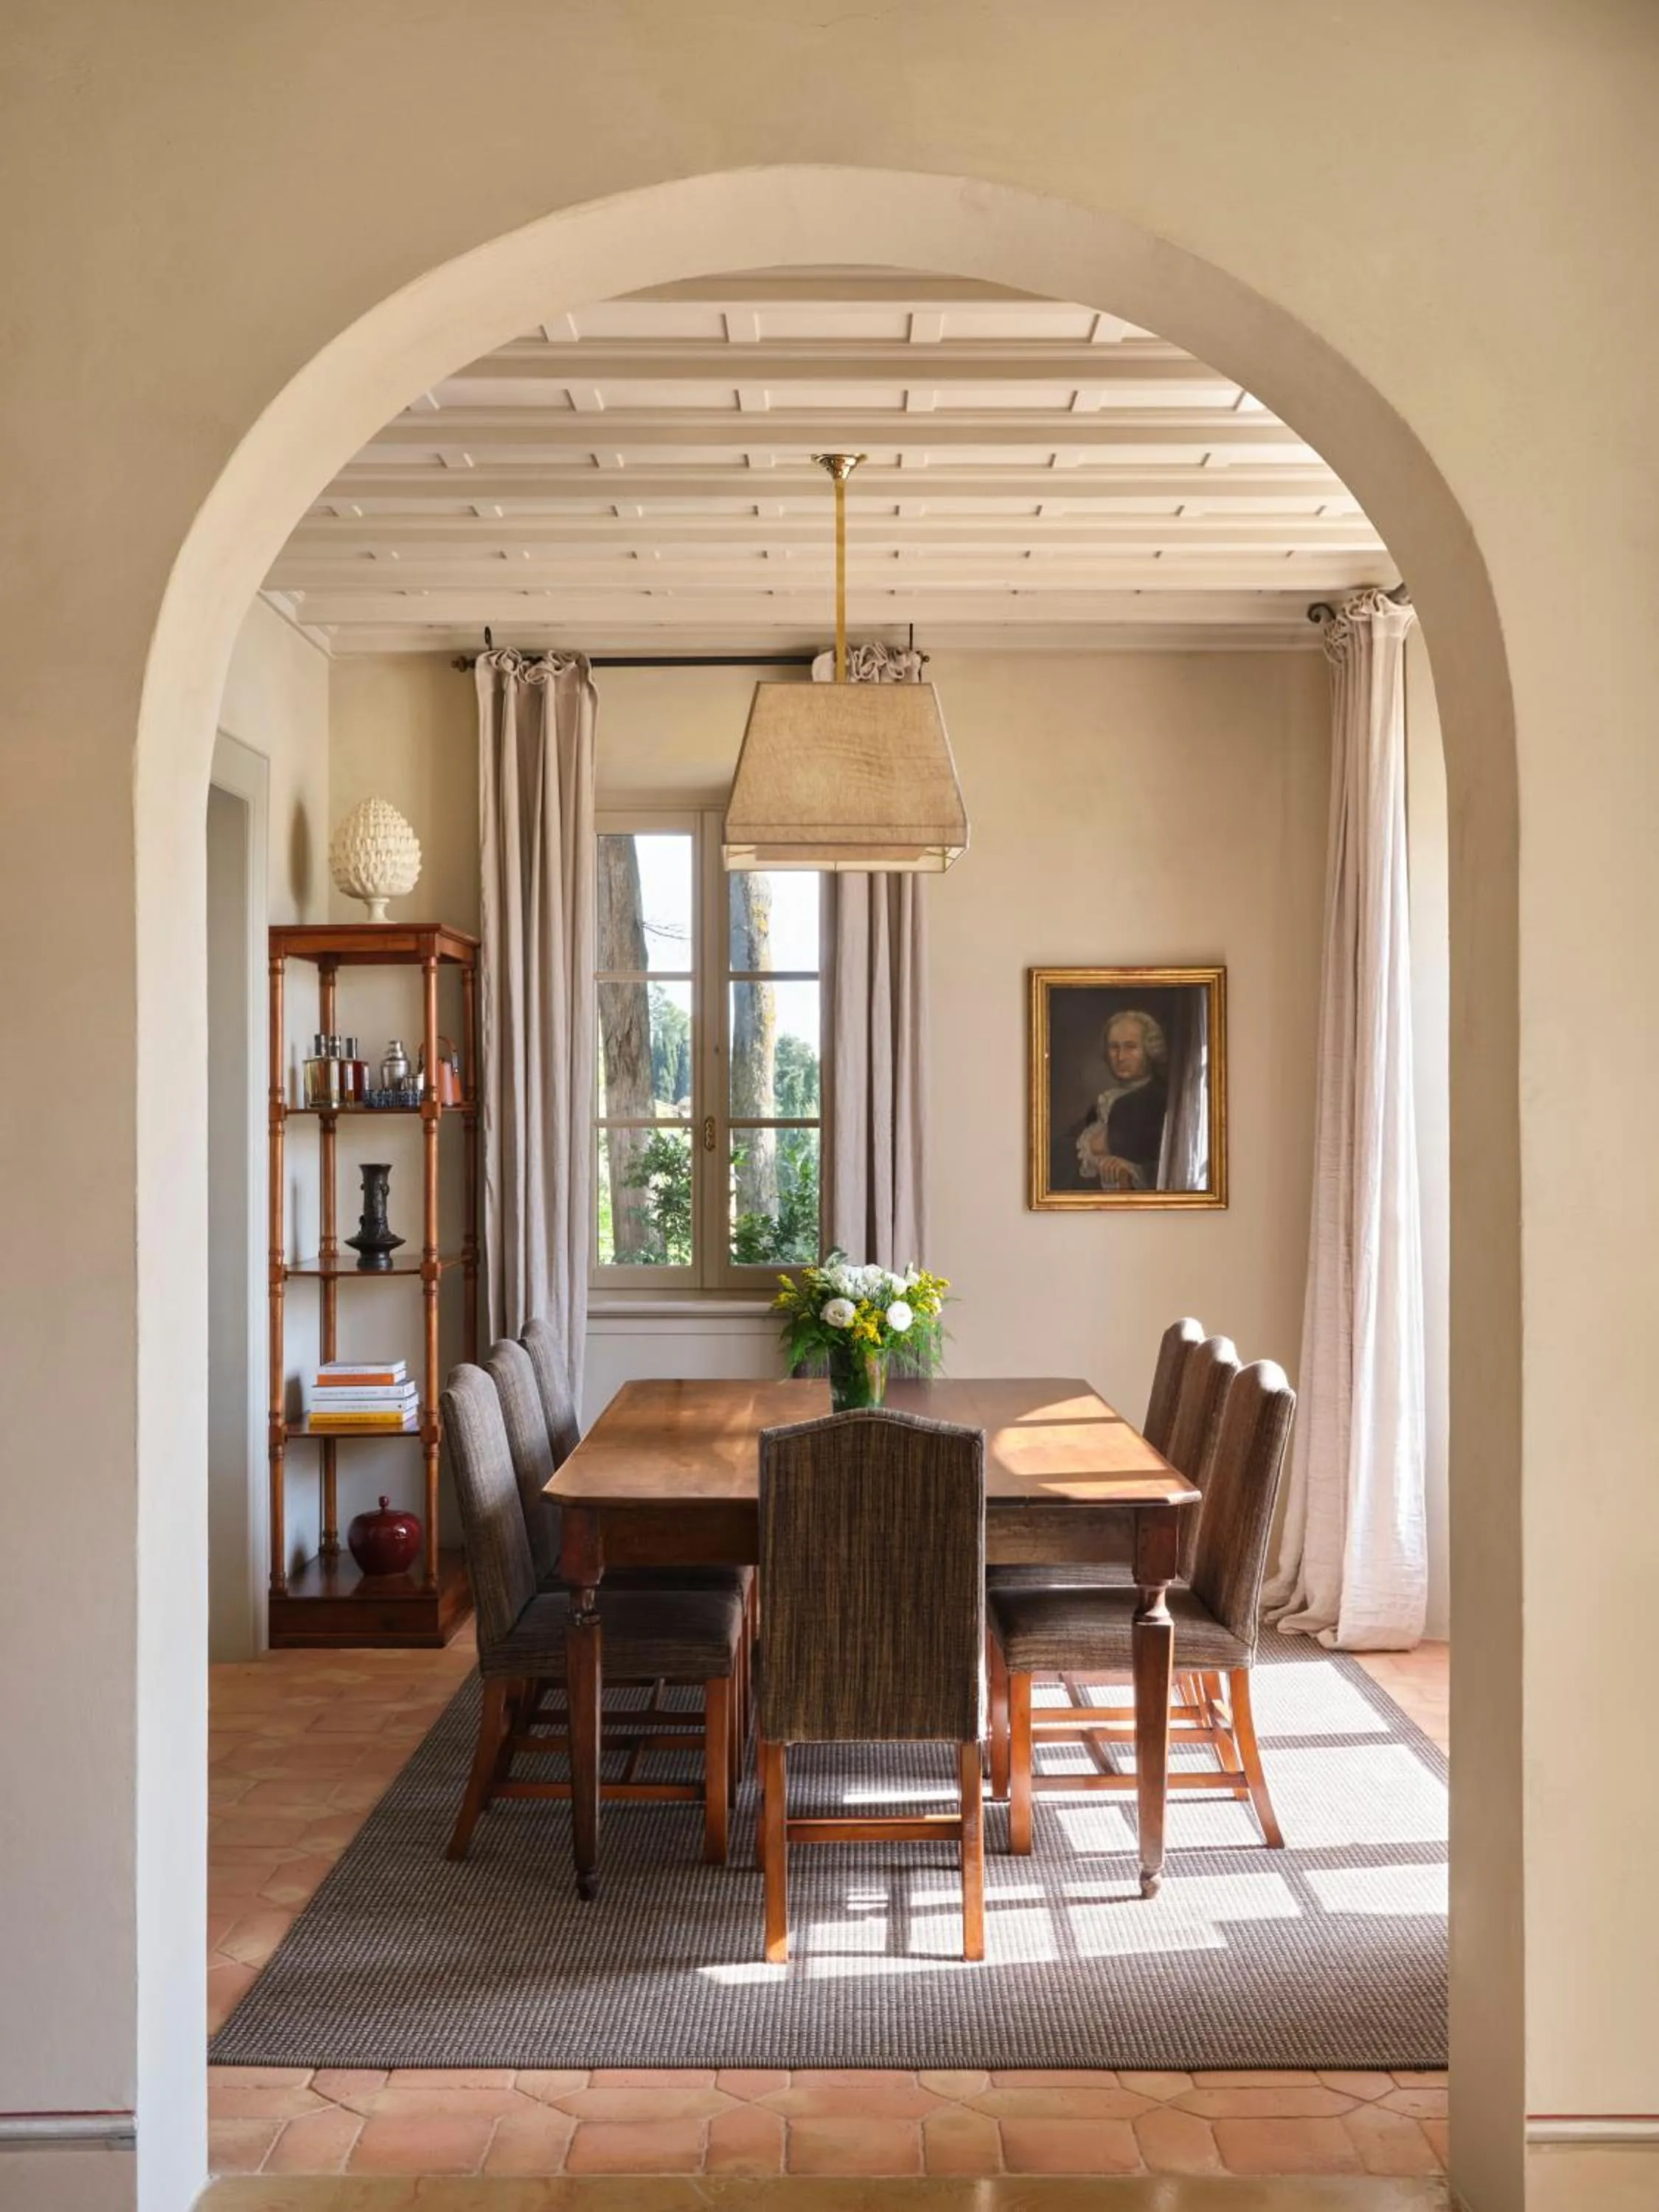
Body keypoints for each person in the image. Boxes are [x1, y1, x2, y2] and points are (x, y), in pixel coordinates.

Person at [1073, 1009, 1169, 1191]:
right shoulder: (1104, 1102)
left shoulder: (1160, 1100)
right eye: (1114, 1047)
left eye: (1131, 1047)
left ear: (1150, 1049)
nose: (1121, 1057)